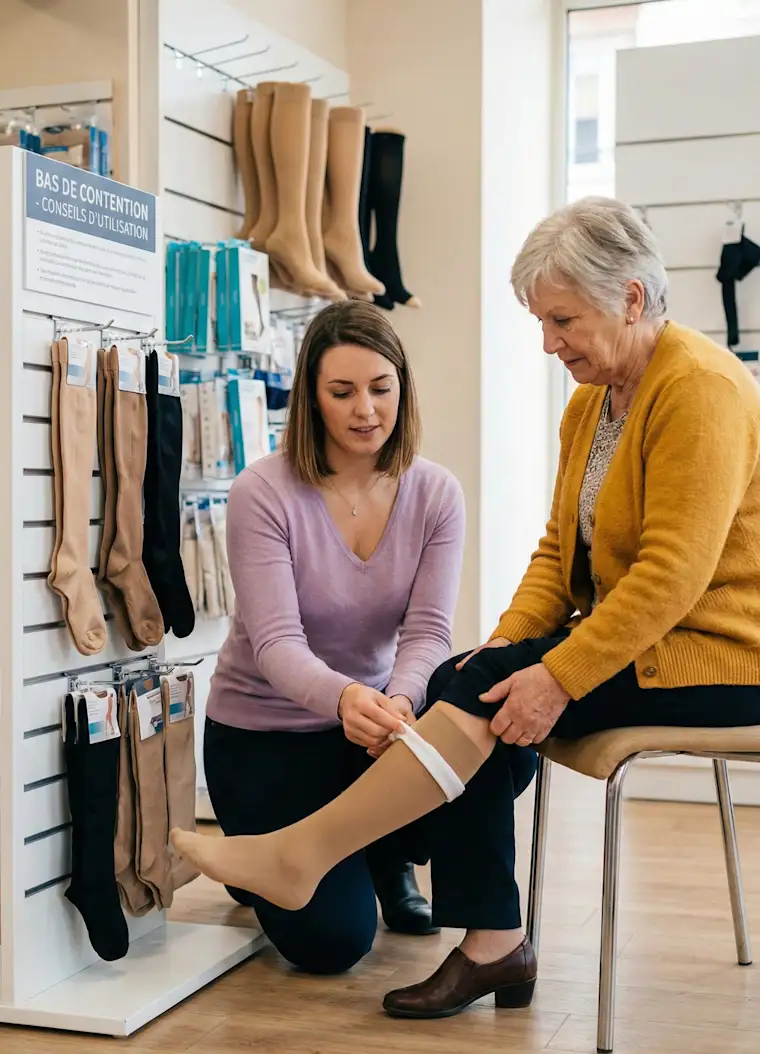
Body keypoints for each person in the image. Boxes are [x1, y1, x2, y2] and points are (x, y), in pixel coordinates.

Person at [173, 196, 760, 1015]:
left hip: (718, 657)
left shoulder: (699, 388)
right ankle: (488, 942)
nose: (549, 342)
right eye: (543, 322)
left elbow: (673, 577)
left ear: (630, 297)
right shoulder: (594, 403)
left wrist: (553, 676)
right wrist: (505, 653)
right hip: (639, 644)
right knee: (475, 681)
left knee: (483, 698)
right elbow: (560, 556)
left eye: (562, 320)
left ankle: (418, 909)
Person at [200, 299, 534, 977]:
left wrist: (401, 702)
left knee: (507, 749)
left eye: (381, 389)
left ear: (403, 389)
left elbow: (429, 629)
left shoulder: (436, 492)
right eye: (341, 392)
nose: (365, 411)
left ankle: (382, 850)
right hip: (266, 737)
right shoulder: (261, 492)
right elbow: (275, 644)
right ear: (310, 399)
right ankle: (280, 860)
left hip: (376, 727)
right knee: (332, 947)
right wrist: (346, 697)